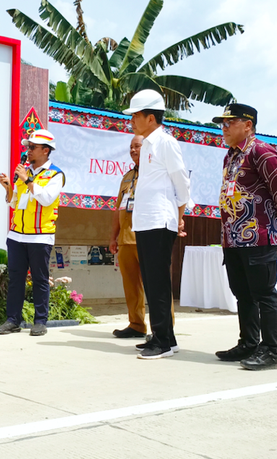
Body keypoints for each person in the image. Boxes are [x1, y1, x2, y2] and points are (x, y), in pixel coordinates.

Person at [214, 103, 277, 371]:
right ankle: (248, 343)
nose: (223, 128)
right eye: (221, 124)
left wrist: (265, 222)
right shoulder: (231, 156)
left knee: (264, 293)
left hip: (258, 237)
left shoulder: (262, 152)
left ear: (248, 125)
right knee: (242, 294)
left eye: (229, 123)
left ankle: (270, 351)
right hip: (233, 239)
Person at [122, 90, 190, 360]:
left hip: (160, 221)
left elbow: (182, 184)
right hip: (144, 221)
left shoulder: (166, 143)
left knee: (159, 282)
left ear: (151, 118)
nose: (132, 120)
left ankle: (162, 341)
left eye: (136, 115)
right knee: (150, 282)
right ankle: (165, 337)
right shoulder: (148, 144)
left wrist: (178, 216)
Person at [0, 130, 65, 336]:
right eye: (27, 147)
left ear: (46, 150)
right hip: (16, 235)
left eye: (32, 147)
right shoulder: (23, 172)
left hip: (40, 235)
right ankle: (13, 320)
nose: (28, 150)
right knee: (16, 279)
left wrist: (27, 180)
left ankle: (40, 321)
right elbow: (14, 202)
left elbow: (46, 199)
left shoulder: (55, 174)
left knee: (40, 279)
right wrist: (8, 186)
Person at [109, 135, 147, 338]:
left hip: (147, 237)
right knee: (131, 286)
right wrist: (113, 237)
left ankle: (164, 329)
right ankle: (136, 325)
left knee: (156, 286)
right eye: (130, 147)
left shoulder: (154, 173)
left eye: (137, 146)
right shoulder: (127, 177)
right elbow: (118, 209)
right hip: (125, 238)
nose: (133, 150)